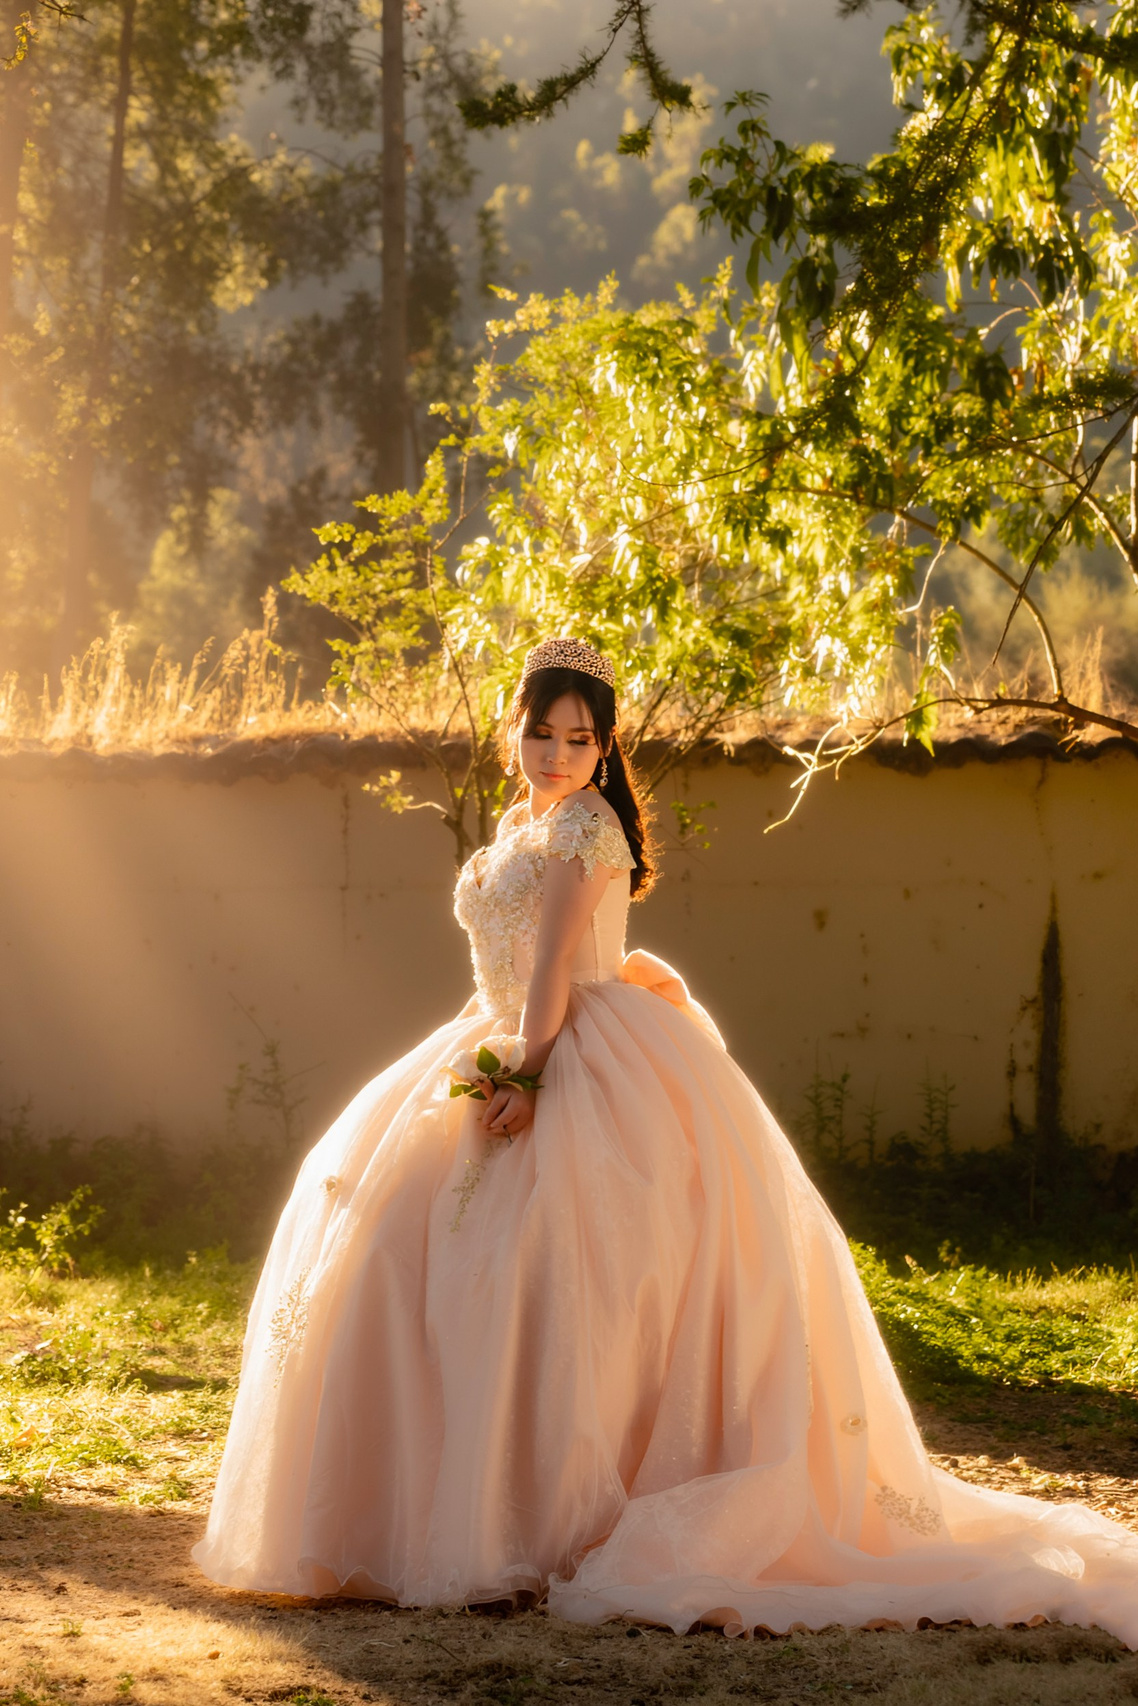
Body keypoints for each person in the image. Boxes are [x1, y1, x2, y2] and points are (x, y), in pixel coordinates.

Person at [193, 637, 1138, 1645]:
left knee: (559, 1270)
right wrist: (499, 1050)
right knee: (389, 1243)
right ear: (513, 731)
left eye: (579, 737)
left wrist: (532, 1071)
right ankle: (411, 1515)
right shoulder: (522, 819)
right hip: (495, 1029)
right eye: (541, 732)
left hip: (569, 1042)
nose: (557, 751)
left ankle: (544, 1524)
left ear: (602, 749)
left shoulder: (585, 826)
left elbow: (559, 958)